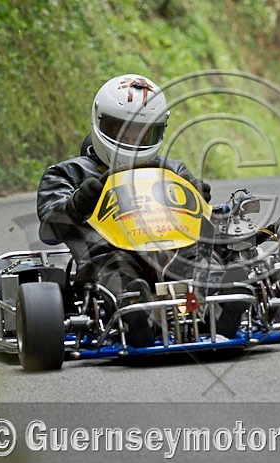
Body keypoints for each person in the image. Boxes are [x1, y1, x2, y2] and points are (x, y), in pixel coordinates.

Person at [36, 74, 224, 346]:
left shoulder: (173, 170)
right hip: (109, 254)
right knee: (116, 268)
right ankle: (137, 315)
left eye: (142, 132)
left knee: (199, 255)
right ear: (101, 122)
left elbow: (200, 220)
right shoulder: (68, 174)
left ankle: (217, 306)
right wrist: (79, 203)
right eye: (123, 131)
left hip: (172, 249)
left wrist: (197, 197)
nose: (133, 140)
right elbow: (49, 229)